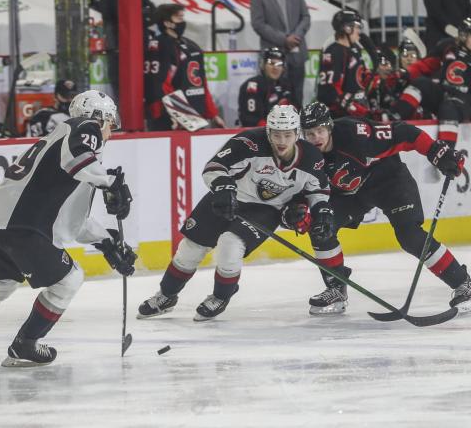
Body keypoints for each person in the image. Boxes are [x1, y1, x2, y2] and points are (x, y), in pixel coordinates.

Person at [0, 90, 137, 368]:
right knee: (69, 279)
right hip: (23, 226)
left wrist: (106, 243)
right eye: (110, 122)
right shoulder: (86, 128)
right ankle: (25, 345)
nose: (111, 131)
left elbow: (72, 221)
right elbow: (80, 158)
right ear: (99, 117)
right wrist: (110, 183)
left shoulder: (64, 146)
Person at [137, 105, 331, 321]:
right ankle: (166, 296)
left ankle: (220, 296)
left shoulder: (311, 158)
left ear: (297, 133)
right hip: (229, 197)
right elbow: (214, 166)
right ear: (268, 132)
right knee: (190, 249)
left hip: (266, 210)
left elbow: (318, 190)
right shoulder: (248, 142)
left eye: (287, 135)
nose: (282, 141)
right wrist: (222, 186)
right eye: (276, 134)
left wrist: (321, 211)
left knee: (231, 244)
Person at [298, 101, 471, 316]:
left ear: (329, 126)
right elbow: (301, 186)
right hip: (350, 194)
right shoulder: (305, 153)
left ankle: (464, 286)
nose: (316, 138)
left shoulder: (355, 133)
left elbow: (404, 132)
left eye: (320, 131)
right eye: (310, 134)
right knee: (321, 228)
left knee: (410, 236)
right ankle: (336, 289)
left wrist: (436, 151)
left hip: (389, 182)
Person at [390, 18, 471, 145]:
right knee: (420, 83)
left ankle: (447, 158)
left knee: (448, 108)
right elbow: (427, 64)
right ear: (463, 36)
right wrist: (406, 73)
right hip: (446, 94)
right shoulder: (448, 46)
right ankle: (394, 119)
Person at [144, 4, 225, 131]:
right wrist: (169, 113)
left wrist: (213, 114)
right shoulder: (161, 45)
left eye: (183, 17)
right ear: (167, 23)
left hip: (194, 115)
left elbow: (202, 85)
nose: (183, 21)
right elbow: (159, 84)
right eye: (178, 18)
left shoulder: (192, 46)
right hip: (172, 118)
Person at [250, 0, 311, 106]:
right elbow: (258, 24)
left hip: (297, 55)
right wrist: (284, 39)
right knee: (275, 99)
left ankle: (297, 122)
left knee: (297, 97)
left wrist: (296, 36)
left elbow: (305, 17)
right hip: (274, 57)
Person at [317, 10, 374, 119]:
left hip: (356, 111)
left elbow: (358, 79)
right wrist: (353, 107)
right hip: (341, 116)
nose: (359, 31)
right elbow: (329, 91)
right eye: (357, 27)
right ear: (347, 28)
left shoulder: (355, 49)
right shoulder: (334, 52)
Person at [238, 47, 295, 127]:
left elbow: (296, 111)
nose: (275, 67)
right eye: (271, 63)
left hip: (282, 132)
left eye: (279, 64)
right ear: (263, 65)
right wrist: (274, 128)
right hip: (258, 134)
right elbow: (250, 119)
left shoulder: (287, 84)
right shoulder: (253, 85)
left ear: (283, 68)